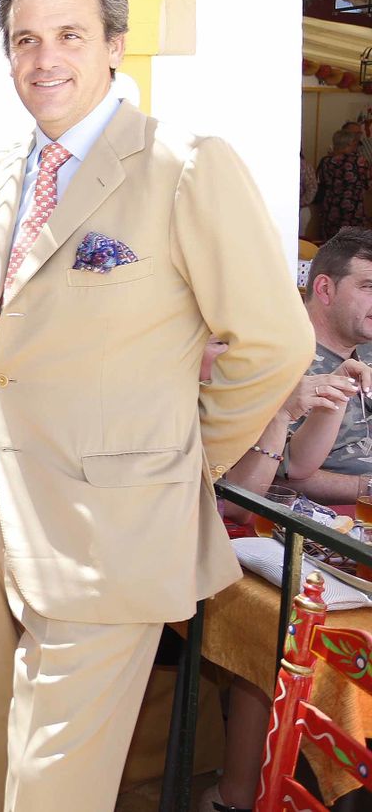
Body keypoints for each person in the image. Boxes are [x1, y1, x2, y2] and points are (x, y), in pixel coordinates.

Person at [0, 0, 313, 811]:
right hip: (1, 525)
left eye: (70, 35)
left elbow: (274, 342)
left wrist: (175, 460)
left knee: (51, 791)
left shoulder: (186, 166)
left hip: (113, 537)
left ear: (115, 44)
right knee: (8, 774)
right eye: (25, 40)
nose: (45, 58)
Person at [196, 338, 358, 812]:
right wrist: (282, 412)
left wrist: (331, 397)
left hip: (301, 540)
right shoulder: (232, 374)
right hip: (202, 544)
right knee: (278, 634)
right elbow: (241, 503)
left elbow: (298, 466)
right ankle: (237, 794)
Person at [282, 228, 372, 502]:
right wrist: (367, 489)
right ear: (324, 289)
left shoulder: (366, 348)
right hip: (332, 518)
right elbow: (275, 472)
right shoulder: (280, 363)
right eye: (369, 286)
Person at [315, 130, 370, 238]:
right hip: (353, 206)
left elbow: (322, 181)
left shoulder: (326, 161)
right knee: (352, 240)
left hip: (331, 204)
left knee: (331, 238)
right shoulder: (360, 161)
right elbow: (366, 184)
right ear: (350, 143)